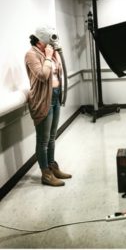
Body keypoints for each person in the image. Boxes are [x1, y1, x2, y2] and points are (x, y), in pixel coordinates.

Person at [25, 26, 72, 187]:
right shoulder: (31, 54)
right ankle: (45, 174)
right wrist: (48, 56)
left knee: (52, 137)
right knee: (43, 140)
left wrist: (55, 54)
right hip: (42, 100)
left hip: (56, 96)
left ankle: (52, 167)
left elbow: (58, 71)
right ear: (39, 41)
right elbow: (43, 75)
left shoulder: (50, 53)